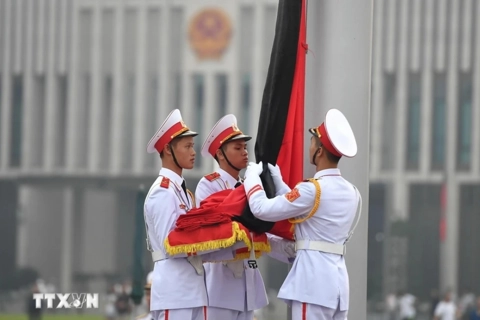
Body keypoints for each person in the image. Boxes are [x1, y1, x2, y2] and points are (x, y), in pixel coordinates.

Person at [242, 109, 361, 320]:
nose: (310, 146)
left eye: (313, 142)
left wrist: (251, 178)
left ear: (320, 151)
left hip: (313, 285)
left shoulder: (313, 189)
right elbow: (310, 210)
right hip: (338, 287)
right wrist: (280, 185)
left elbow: (261, 209)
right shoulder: (351, 192)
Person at [196, 114, 295, 320]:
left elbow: (258, 234)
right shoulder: (209, 185)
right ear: (221, 154)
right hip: (219, 284)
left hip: (247, 283)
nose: (245, 152)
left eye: (245, 147)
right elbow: (217, 231)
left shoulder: (248, 187)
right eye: (237, 148)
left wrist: (288, 248)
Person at [144, 109, 237, 320]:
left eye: (193, 146)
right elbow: (171, 243)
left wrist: (231, 245)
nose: (193, 152)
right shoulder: (163, 191)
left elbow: (193, 245)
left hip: (193, 289)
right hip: (174, 290)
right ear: (168, 149)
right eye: (187, 146)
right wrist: (212, 238)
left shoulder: (183, 192)